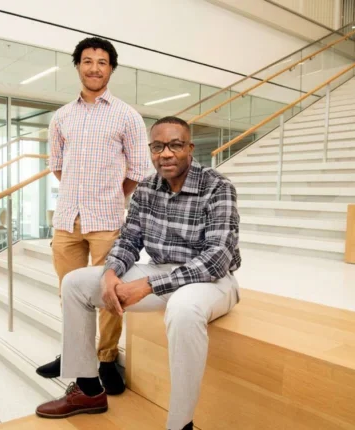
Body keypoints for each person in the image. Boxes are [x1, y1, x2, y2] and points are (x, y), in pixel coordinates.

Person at [36, 116, 241, 430]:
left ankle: (179, 424)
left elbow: (217, 258)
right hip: (160, 272)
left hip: (211, 280)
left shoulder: (217, 186)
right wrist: (110, 273)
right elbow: (130, 239)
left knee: (184, 310)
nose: (166, 153)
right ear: (151, 151)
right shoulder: (147, 187)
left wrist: (148, 284)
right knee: (76, 282)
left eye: (175, 145)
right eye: (158, 146)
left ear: (190, 148)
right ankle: (89, 390)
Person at [36, 36, 149, 394]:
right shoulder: (62, 117)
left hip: (108, 221)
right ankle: (75, 355)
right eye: (88, 61)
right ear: (78, 66)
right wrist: (79, 195)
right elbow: (57, 165)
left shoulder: (127, 116)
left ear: (111, 69)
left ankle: (105, 358)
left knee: (108, 294)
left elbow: (140, 169)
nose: (94, 68)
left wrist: (113, 196)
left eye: (102, 62)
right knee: (68, 293)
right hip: (67, 219)